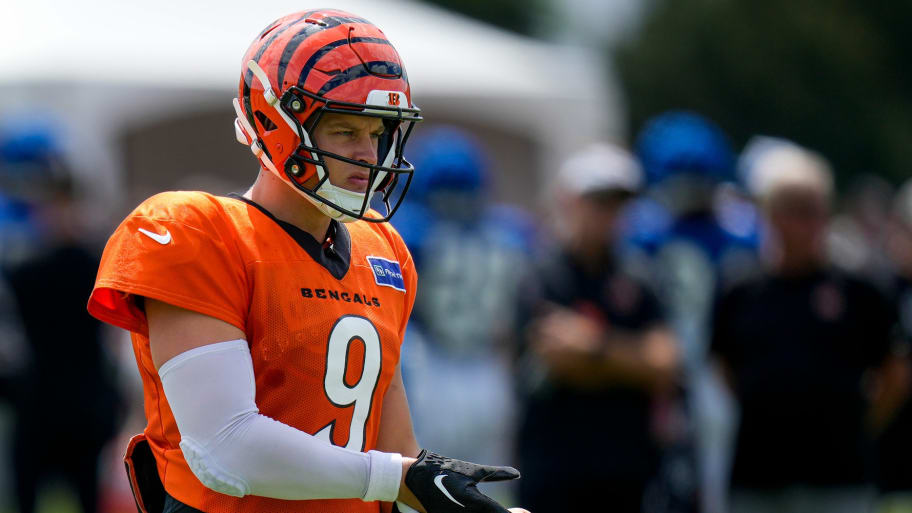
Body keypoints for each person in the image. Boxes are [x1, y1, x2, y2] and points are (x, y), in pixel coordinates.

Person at [86, 9, 526, 513]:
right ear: (276, 122)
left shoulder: (384, 248)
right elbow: (225, 448)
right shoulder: (197, 229)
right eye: (345, 131)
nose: (369, 154)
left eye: (378, 132)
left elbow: (398, 455)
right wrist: (400, 478)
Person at [710, 143, 906, 513]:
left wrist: (856, 425)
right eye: (791, 210)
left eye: (812, 211)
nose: (802, 223)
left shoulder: (860, 289)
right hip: (757, 474)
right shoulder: (740, 287)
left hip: (838, 475)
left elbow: (893, 374)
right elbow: (722, 367)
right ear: (767, 213)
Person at [513, 143, 679, 513]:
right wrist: (630, 360)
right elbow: (558, 357)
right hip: (554, 469)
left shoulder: (640, 276)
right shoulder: (542, 275)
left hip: (626, 472)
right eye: (601, 201)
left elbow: (665, 364)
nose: (611, 215)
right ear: (570, 200)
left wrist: (594, 346)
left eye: (619, 204)